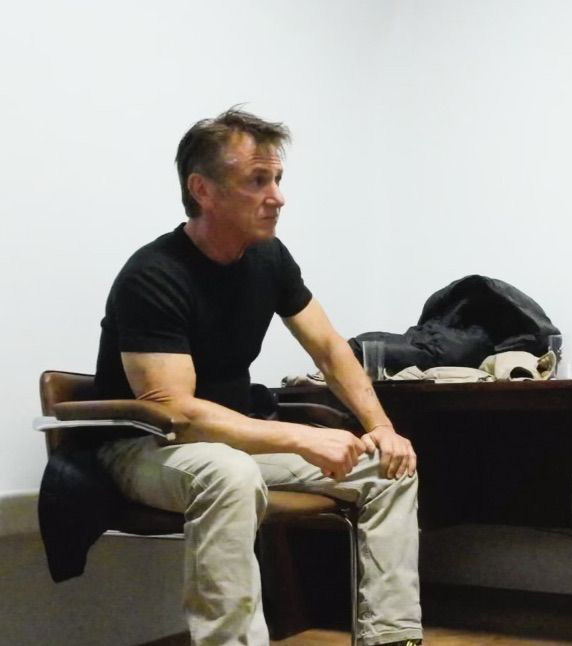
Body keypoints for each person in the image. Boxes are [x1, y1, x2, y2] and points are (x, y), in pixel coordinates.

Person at [94, 108, 422, 646]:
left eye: (278, 179)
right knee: (228, 472)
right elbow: (175, 412)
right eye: (257, 180)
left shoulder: (269, 258)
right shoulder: (153, 275)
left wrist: (382, 428)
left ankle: (392, 638)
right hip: (145, 446)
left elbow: (329, 349)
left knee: (390, 469)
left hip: (233, 442)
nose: (278, 197)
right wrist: (300, 437)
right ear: (202, 189)